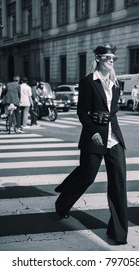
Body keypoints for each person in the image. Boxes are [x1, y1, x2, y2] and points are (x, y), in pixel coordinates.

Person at [54, 44, 128, 245]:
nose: (111, 60)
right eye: (107, 57)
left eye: (113, 57)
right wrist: (93, 130)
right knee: (87, 176)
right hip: (94, 136)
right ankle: (62, 204)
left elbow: (113, 111)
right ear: (97, 59)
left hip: (114, 138)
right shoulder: (88, 81)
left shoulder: (115, 83)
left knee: (119, 183)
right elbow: (81, 111)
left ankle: (118, 233)